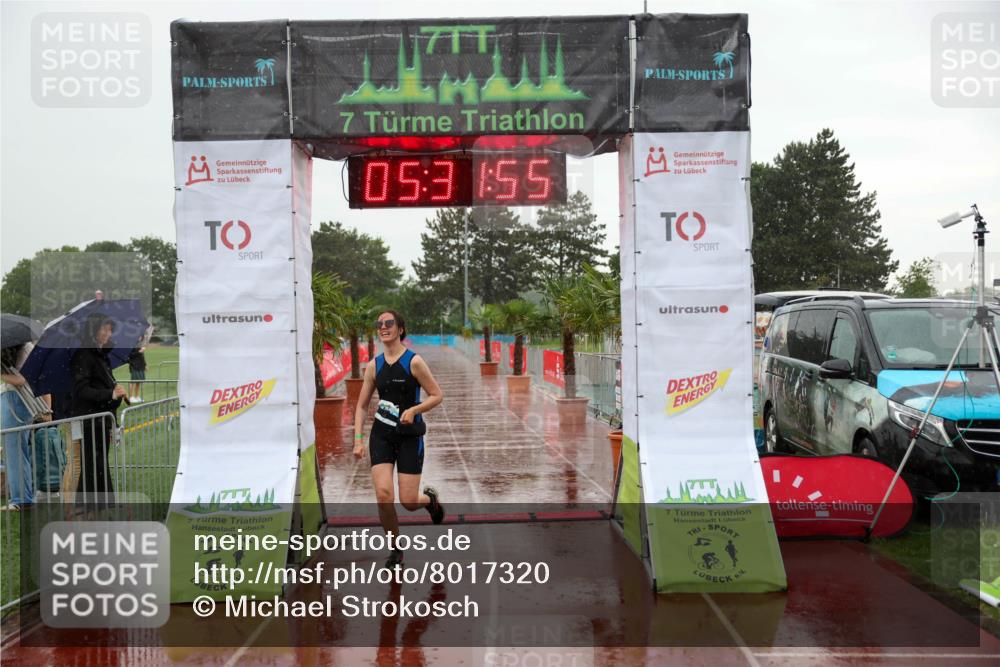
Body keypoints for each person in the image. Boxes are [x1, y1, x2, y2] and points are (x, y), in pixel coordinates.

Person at [354, 310, 445, 569]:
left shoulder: (414, 362)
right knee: (384, 495)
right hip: (381, 435)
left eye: (389, 323)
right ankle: (395, 549)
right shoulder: (374, 366)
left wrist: (415, 410)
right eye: (379, 324)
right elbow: (361, 406)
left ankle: (429, 500)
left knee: (407, 501)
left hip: (409, 436)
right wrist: (358, 439)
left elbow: (436, 395)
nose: (383, 327)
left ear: (400, 329)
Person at [71, 313, 126, 500]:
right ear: (94, 330)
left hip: (102, 419)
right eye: (105, 329)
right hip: (90, 420)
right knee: (93, 466)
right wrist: (110, 394)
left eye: (110, 329)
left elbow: (105, 384)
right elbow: (82, 390)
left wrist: (116, 393)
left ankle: (99, 508)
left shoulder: (102, 356)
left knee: (99, 464)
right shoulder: (84, 355)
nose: (108, 333)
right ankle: (88, 509)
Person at [1, 346, 34, 509]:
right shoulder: (21, 346)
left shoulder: (22, 348)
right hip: (17, 399)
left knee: (15, 452)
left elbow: (22, 379)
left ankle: (20, 499)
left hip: (16, 398)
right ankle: (23, 497)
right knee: (18, 451)